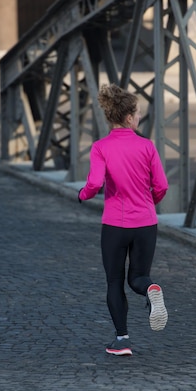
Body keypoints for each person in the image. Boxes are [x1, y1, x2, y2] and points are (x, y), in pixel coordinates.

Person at [78, 83, 169, 356]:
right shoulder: (147, 146)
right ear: (129, 118)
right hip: (145, 224)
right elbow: (162, 186)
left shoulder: (100, 147)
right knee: (138, 277)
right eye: (138, 113)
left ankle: (122, 340)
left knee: (115, 282)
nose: (139, 117)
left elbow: (94, 182)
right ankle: (151, 289)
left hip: (115, 226)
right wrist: (146, 206)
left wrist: (82, 194)